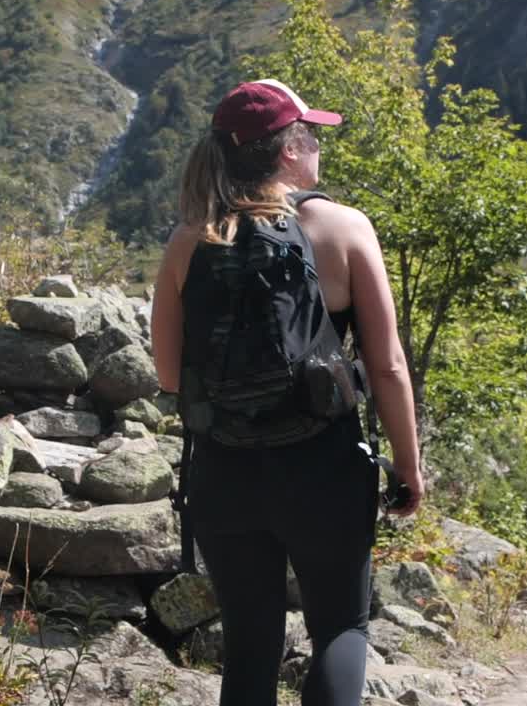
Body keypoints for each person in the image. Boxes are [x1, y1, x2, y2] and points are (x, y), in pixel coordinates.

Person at [151, 79, 423, 706]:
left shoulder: (190, 239)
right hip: (322, 468)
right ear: (291, 149)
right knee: (340, 629)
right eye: (313, 135)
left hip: (223, 471)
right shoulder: (344, 228)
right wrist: (406, 468)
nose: (318, 147)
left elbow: (169, 377)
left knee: (249, 645)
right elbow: (386, 368)